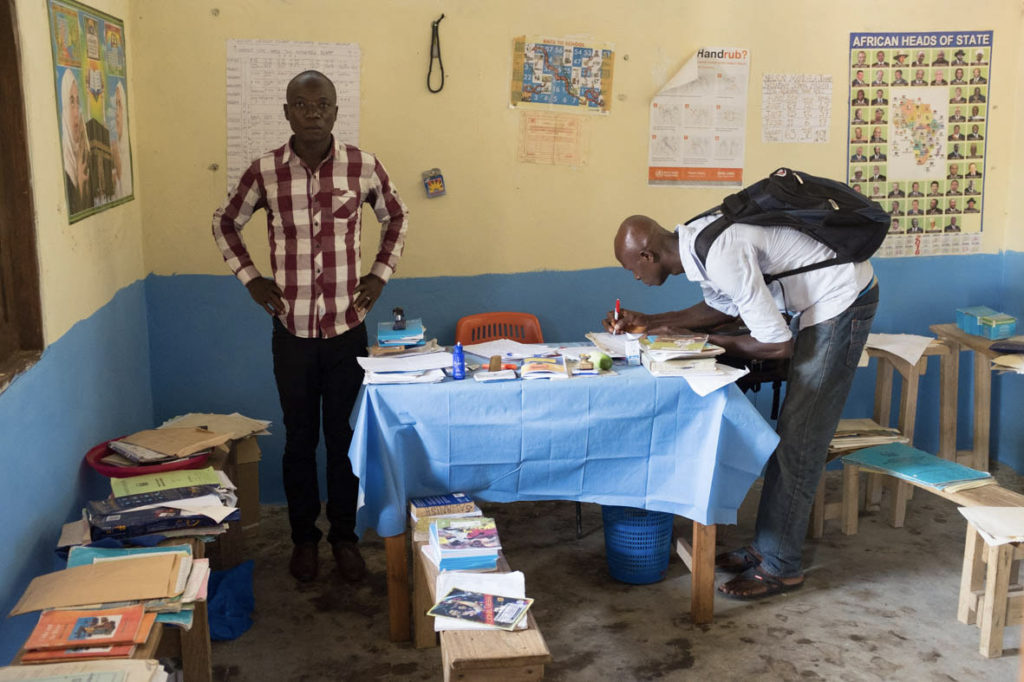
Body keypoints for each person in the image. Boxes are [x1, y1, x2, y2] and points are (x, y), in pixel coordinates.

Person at [606, 208, 878, 600]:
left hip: (842, 299)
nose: (634, 277)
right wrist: (652, 321)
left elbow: (776, 344)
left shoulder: (720, 254)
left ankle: (781, 566)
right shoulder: (697, 243)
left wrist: (700, 342)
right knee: (789, 436)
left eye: (632, 268)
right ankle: (765, 548)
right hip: (821, 300)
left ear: (647, 256)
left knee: (801, 438)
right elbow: (722, 309)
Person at [212, 70, 410, 584]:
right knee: (300, 441)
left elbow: (398, 217)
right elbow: (225, 222)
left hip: (348, 331)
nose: (313, 112)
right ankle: (305, 540)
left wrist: (379, 276)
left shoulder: (363, 166)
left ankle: (344, 538)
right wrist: (251, 279)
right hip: (292, 333)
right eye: (302, 104)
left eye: (322, 103)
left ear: (337, 111)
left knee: (346, 439)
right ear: (287, 113)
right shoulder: (265, 172)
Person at [60, 69, 93, 214]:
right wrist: (79, 181)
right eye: (71, 102)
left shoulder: (81, 156)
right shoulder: (62, 167)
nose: (76, 113)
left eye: (78, 102)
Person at [110, 81, 132, 199]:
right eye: (115, 105)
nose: (116, 113)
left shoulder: (126, 154)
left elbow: (126, 192)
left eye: (120, 105)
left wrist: (119, 169)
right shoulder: (116, 149)